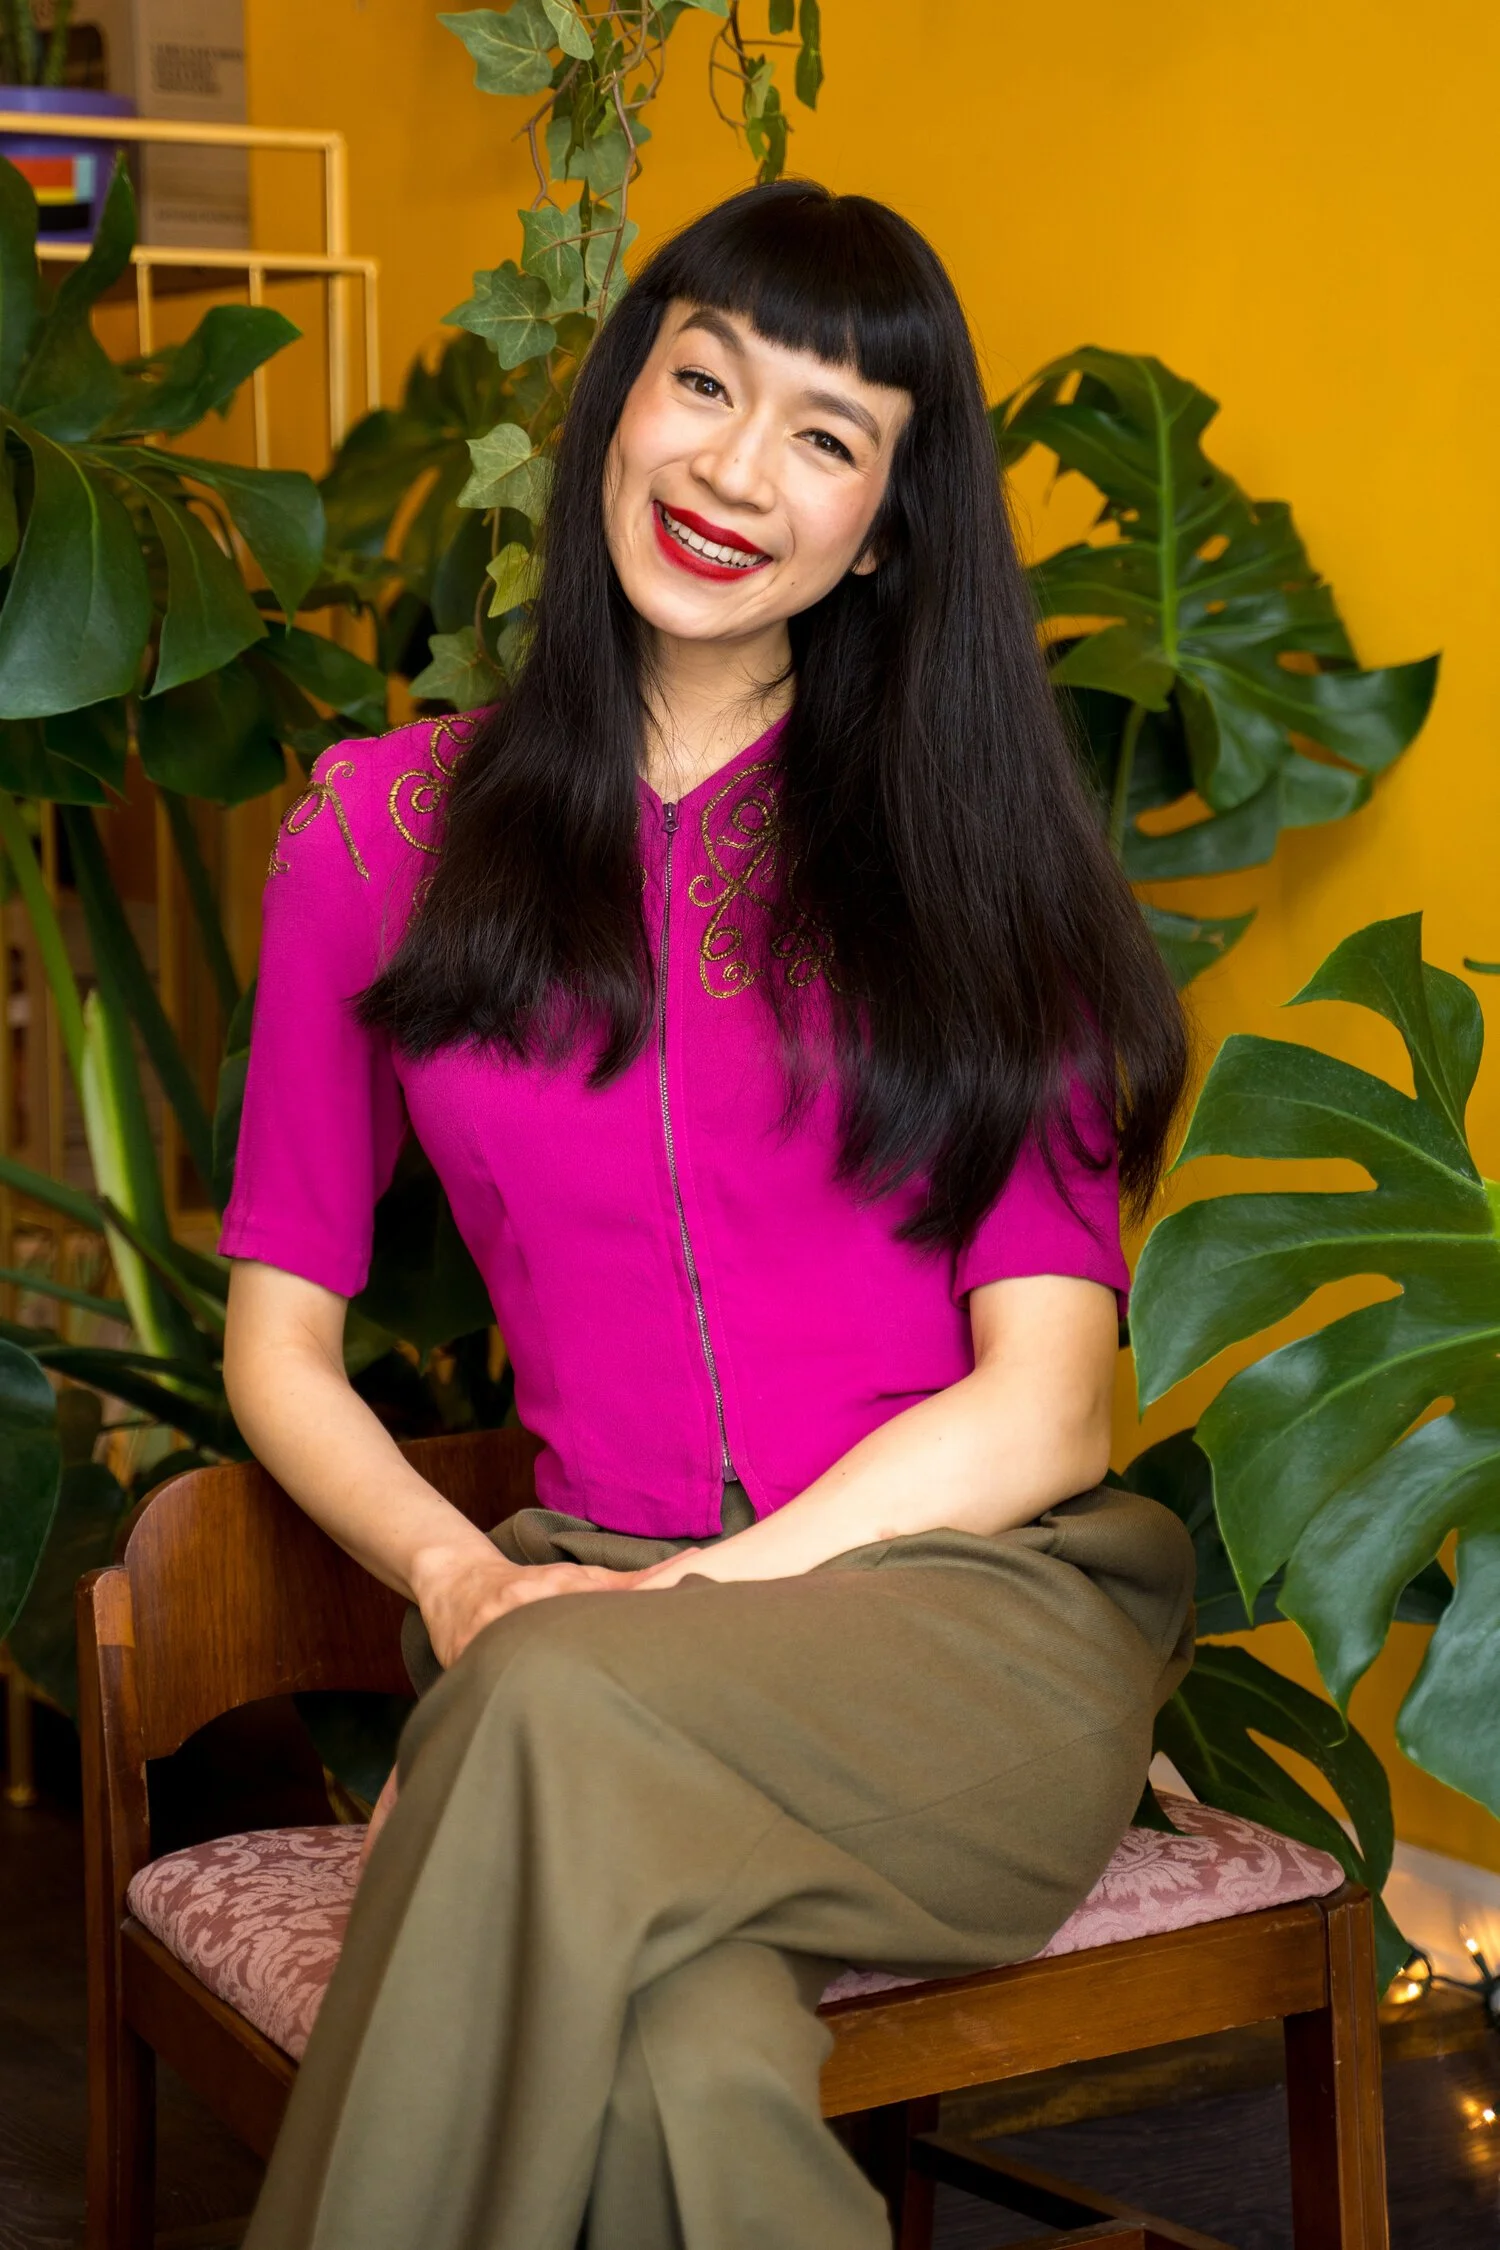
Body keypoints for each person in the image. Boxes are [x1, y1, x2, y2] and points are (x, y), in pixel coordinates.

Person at [221, 179, 1195, 2250]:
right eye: (706, 386)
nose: (740, 470)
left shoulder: (978, 874)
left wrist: (635, 1636)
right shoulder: (379, 835)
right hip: (576, 1611)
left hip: (968, 1631)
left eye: (828, 438)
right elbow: (277, 1337)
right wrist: (460, 1589)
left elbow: (1047, 1415)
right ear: (614, 408)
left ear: (885, 529)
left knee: (555, 1715)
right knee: (687, 2082)